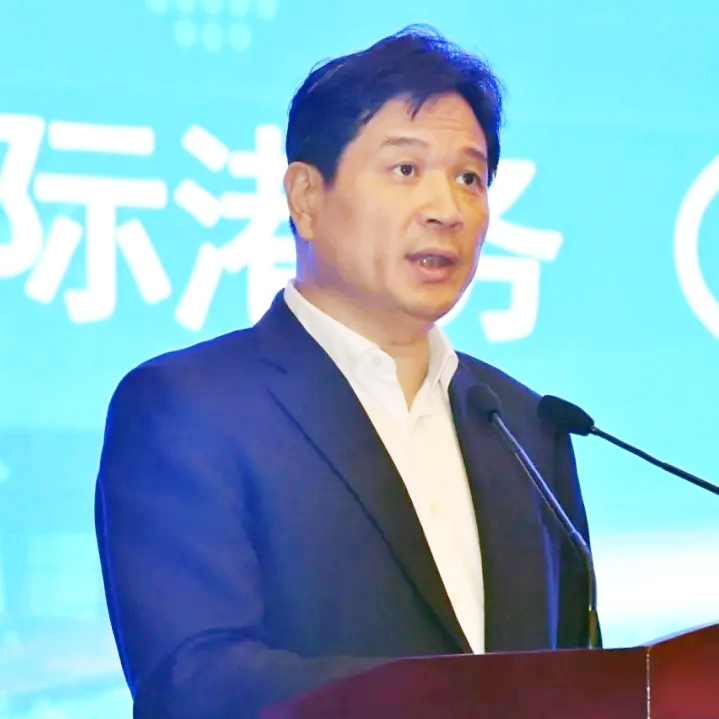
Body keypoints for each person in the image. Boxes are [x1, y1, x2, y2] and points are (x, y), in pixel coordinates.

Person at [95, 27, 596, 719]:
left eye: (469, 178)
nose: (446, 210)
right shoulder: (187, 408)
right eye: (405, 169)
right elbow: (196, 684)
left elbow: (579, 676)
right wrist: (456, 701)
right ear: (305, 196)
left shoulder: (525, 427)